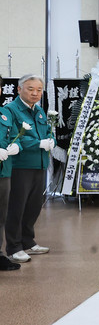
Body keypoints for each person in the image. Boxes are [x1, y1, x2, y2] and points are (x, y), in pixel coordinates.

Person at [4, 74, 54, 264]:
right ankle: (14, 247)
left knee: (34, 206)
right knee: (17, 206)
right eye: (30, 89)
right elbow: (13, 136)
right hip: (21, 166)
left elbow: (48, 132)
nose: (35, 93)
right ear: (19, 89)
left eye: (39, 90)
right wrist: (38, 143)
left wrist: (51, 140)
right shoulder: (11, 110)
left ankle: (28, 241)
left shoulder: (39, 111)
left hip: (39, 164)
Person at [0, 81, 21, 271]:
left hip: (3, 172)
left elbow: (15, 136)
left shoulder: (4, 114)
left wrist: (16, 146)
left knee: (1, 215)